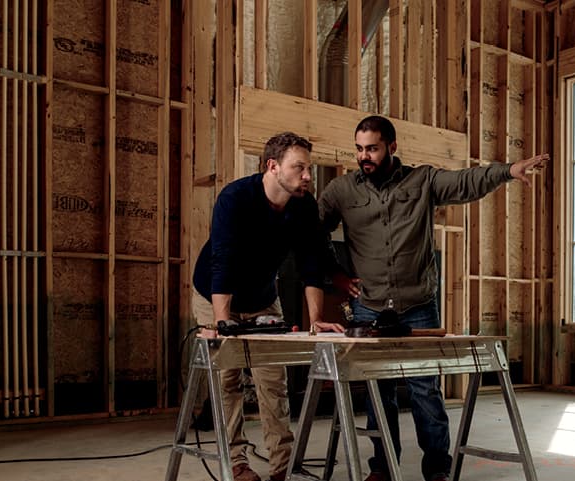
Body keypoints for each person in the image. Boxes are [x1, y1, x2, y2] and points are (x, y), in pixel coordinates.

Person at [315, 115, 548, 481]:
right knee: (379, 394)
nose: (365, 156)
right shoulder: (341, 191)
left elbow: (464, 182)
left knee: (426, 391)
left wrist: (508, 170)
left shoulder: (421, 180)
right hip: (369, 306)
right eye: (359, 149)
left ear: (392, 147)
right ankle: (382, 468)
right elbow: (313, 236)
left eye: (372, 148)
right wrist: (337, 275)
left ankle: (437, 468)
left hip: (418, 306)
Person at [192, 132, 346, 481]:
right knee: (228, 381)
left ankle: (282, 466)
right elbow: (222, 262)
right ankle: (238, 463)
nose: (308, 176)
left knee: (271, 382)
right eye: (299, 168)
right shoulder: (235, 198)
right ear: (272, 166)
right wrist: (223, 323)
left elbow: (311, 265)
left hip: (262, 297)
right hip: (215, 295)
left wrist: (317, 319)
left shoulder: (304, 205)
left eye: (309, 168)